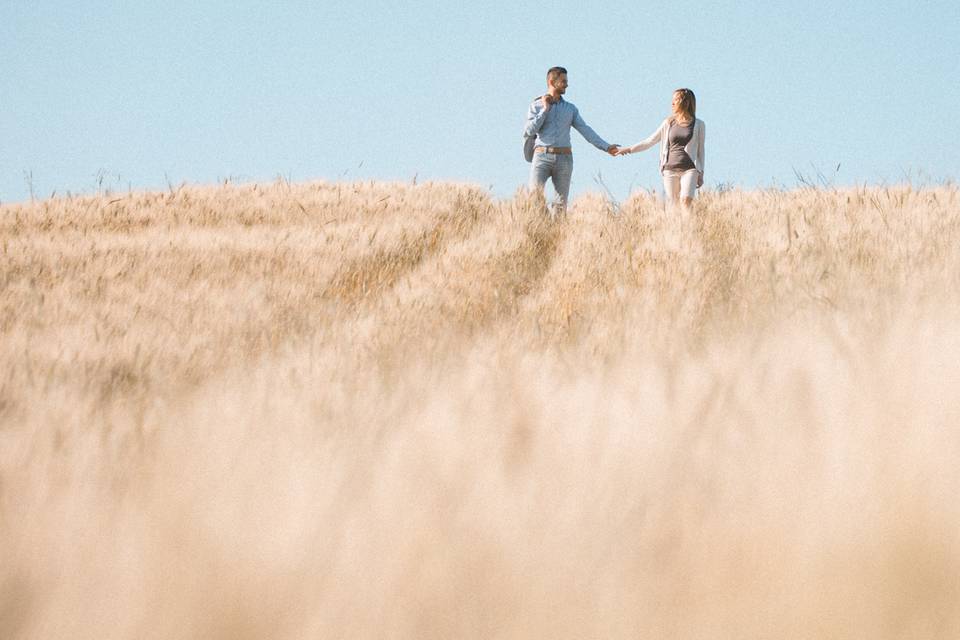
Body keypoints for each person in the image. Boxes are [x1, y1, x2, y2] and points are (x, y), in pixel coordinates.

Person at [523, 67, 619, 214]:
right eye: (563, 81)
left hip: (564, 159)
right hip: (541, 157)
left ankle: (557, 234)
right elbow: (529, 130)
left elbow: (585, 130)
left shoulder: (570, 109)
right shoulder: (536, 106)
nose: (567, 84)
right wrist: (545, 109)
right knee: (534, 199)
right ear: (551, 82)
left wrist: (606, 147)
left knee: (561, 205)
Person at [616, 88, 705, 208]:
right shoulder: (668, 123)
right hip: (670, 169)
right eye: (672, 100)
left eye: (676, 100)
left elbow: (701, 150)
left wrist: (701, 172)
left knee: (686, 201)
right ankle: (675, 226)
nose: (672, 103)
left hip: (690, 169)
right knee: (673, 204)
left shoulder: (699, 124)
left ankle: (688, 226)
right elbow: (650, 141)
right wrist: (628, 149)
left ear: (685, 102)